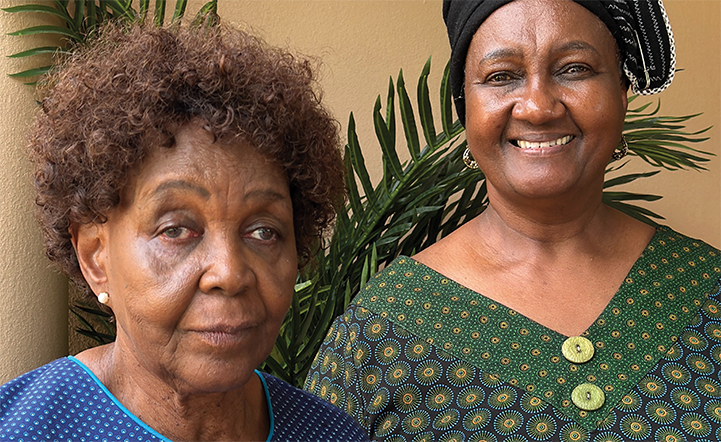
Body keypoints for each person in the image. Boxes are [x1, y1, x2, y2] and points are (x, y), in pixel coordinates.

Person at [305, 0, 721, 441]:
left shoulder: (707, 287)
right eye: (501, 76)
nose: (538, 108)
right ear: (465, 106)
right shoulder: (377, 336)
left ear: (621, 92)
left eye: (574, 69)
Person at [0, 20, 370, 442]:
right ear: (95, 257)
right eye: (175, 230)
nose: (229, 273)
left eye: (264, 232)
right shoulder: (20, 429)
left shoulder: (331, 434)